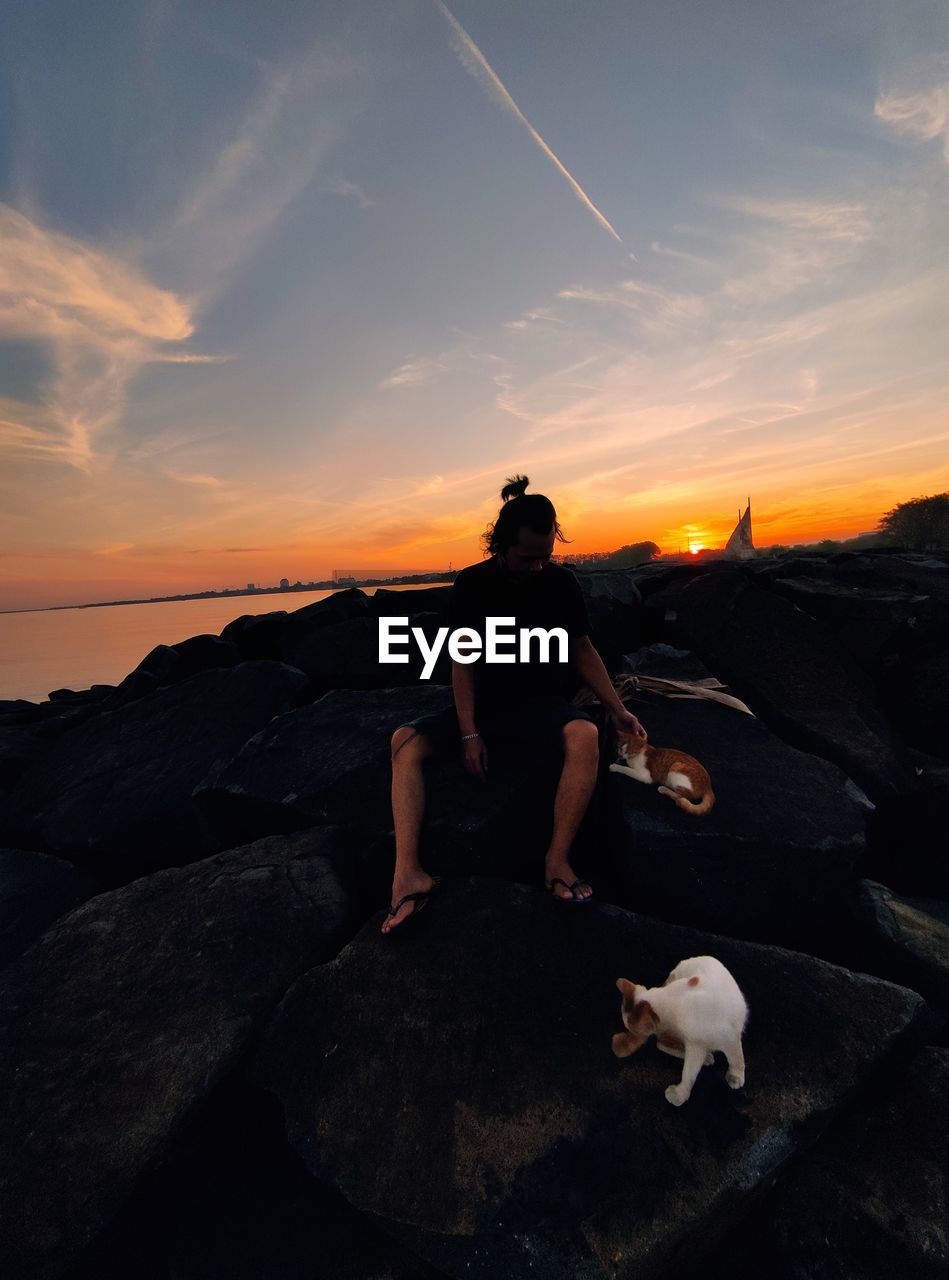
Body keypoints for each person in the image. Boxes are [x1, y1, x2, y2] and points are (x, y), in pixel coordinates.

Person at [382, 475, 647, 934]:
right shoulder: (472, 585)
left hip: (540, 704)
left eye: (546, 556)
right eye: (528, 558)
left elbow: (582, 649)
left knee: (584, 734)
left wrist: (616, 708)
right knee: (403, 741)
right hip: (484, 705)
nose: (538, 566)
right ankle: (408, 874)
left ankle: (557, 860)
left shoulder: (561, 584)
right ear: (500, 545)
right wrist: (468, 732)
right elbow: (461, 663)